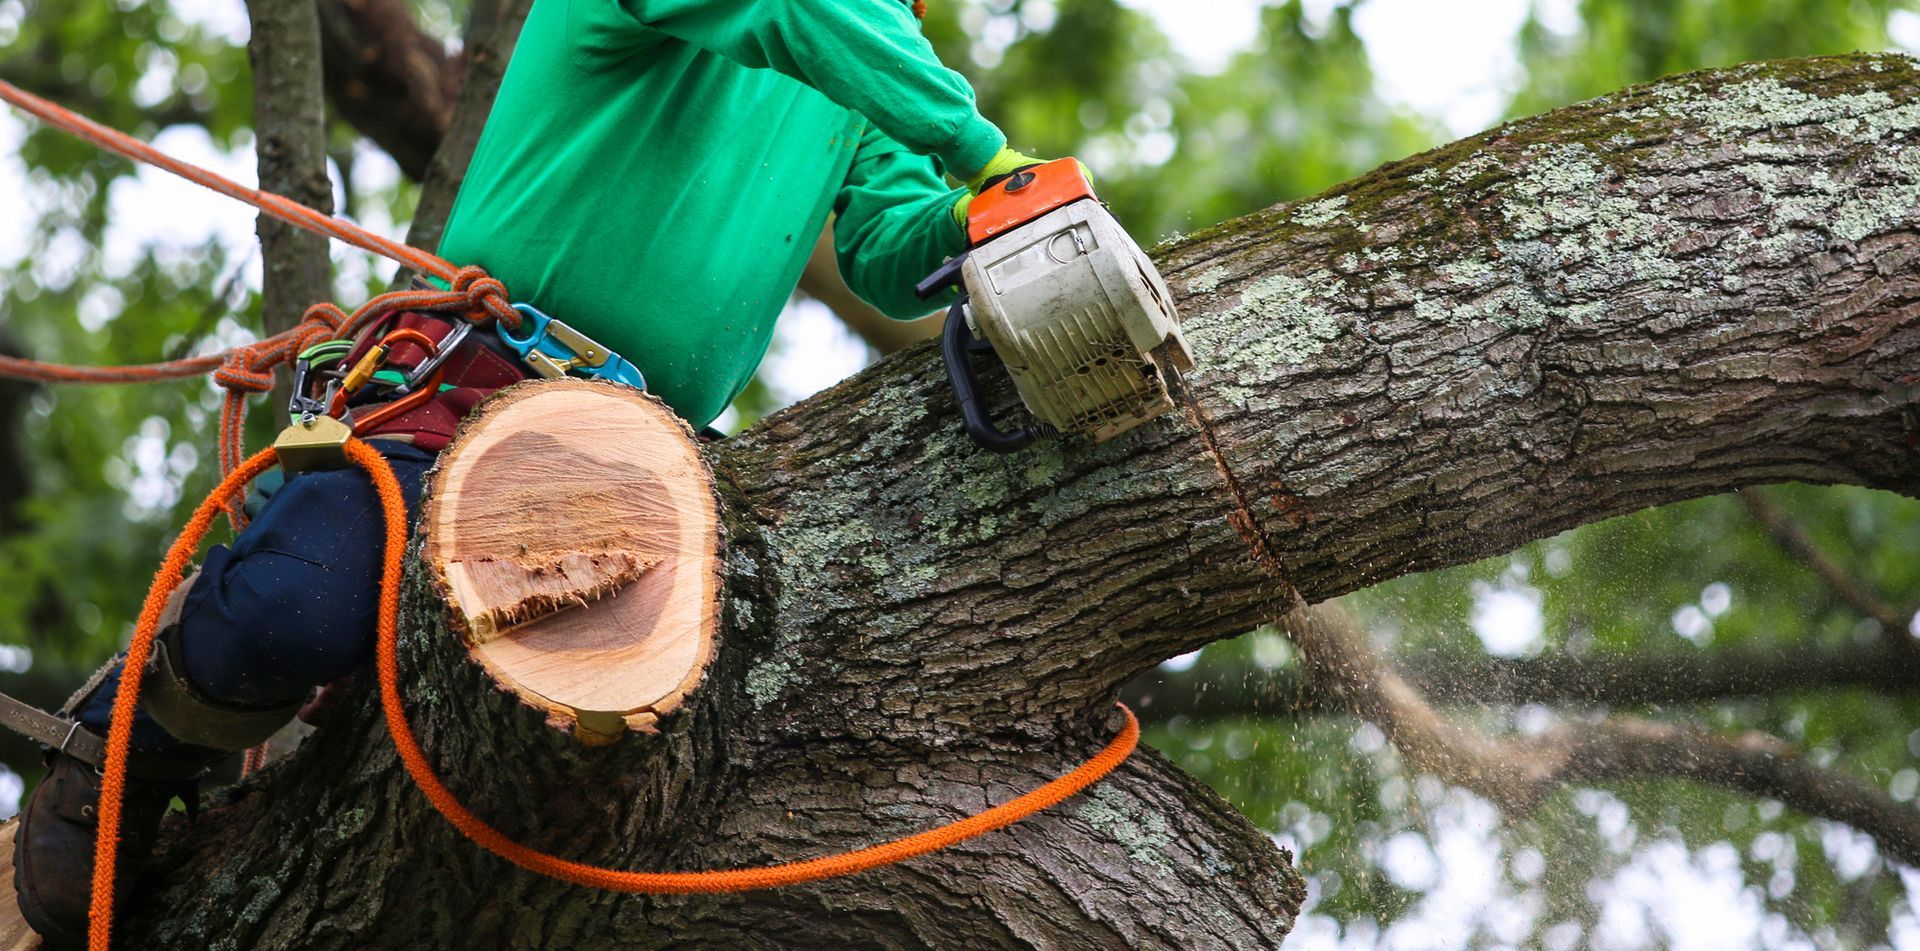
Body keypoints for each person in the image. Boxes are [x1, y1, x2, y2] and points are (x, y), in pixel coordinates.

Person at [11, 0, 1073, 943]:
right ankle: (130, 744)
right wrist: (984, 151)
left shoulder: (881, 52)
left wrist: (981, 217)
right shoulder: (828, 23)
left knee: (640, 748)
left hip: (641, 453)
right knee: (300, 608)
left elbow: (889, 244)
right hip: (468, 385)